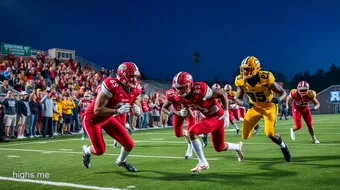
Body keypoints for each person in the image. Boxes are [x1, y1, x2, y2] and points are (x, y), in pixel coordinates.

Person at [171, 71, 244, 173]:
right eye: (177, 88)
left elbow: (222, 94)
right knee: (219, 147)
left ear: (189, 85)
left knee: (192, 131)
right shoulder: (180, 96)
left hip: (218, 116)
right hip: (207, 118)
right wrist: (184, 112)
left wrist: (226, 114)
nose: (178, 90)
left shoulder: (200, 89)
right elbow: (188, 110)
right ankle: (237, 146)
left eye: (181, 87)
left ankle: (203, 162)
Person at [81, 62, 142, 172]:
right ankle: (86, 150)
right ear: (122, 76)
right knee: (100, 150)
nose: (134, 79)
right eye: (131, 76)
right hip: (93, 119)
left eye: (135, 76)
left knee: (129, 144)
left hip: (108, 118)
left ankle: (121, 161)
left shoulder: (135, 88)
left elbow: (135, 98)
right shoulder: (112, 85)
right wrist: (117, 111)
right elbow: (97, 109)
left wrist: (137, 108)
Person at [234, 56, 292, 162]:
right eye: (243, 69)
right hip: (254, 107)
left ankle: (284, 147)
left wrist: (279, 99)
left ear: (256, 68)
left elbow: (283, 92)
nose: (245, 71)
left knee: (269, 133)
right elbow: (238, 98)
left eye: (248, 69)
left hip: (269, 106)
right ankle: (256, 126)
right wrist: (245, 104)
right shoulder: (240, 80)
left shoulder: (265, 77)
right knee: (245, 136)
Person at [162, 88, 208, 160]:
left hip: (190, 113)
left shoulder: (190, 93)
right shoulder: (171, 94)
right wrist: (173, 113)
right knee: (178, 134)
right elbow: (164, 108)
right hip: (177, 113)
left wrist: (191, 111)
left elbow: (198, 104)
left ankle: (189, 150)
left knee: (191, 132)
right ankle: (202, 135)